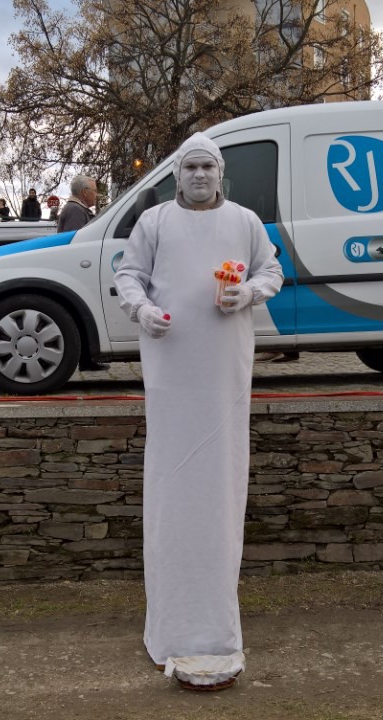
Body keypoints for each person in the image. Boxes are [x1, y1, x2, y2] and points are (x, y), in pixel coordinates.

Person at [113, 132, 283, 692]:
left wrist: (249, 295)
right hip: (170, 370)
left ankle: (216, 626)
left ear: (221, 172)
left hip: (223, 376)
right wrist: (142, 310)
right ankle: (170, 627)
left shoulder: (245, 221)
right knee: (172, 482)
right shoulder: (154, 222)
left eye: (209, 165)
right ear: (177, 175)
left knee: (221, 482)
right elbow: (127, 274)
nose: (201, 175)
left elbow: (272, 272)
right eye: (191, 166)